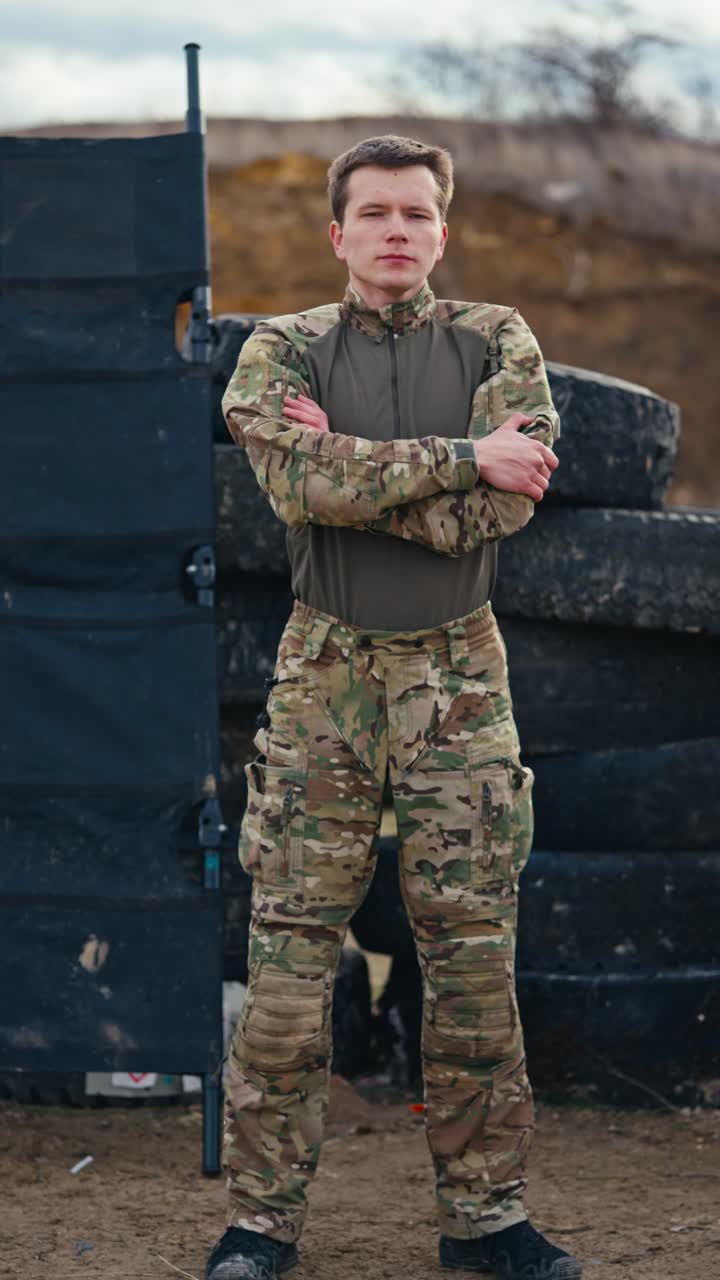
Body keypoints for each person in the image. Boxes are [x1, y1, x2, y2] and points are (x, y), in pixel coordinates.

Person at [206, 134, 580, 1280]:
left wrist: (359, 476)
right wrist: (467, 454)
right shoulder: (283, 350)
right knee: (287, 960)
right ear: (339, 233)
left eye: (416, 212)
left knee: (471, 957)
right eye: (373, 213)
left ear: (442, 229)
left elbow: (501, 513)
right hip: (323, 670)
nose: (396, 231)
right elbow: (293, 483)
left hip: (459, 677)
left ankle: (486, 1218)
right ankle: (261, 1222)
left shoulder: (499, 338)